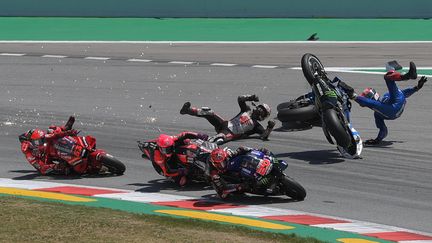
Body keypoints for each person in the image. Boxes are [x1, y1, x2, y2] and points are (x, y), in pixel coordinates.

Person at [344, 61, 428, 145]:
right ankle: (407, 76)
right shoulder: (379, 106)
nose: (366, 97)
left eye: (366, 96)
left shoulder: (379, 108)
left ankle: (354, 96)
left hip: (393, 111)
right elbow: (403, 94)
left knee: (389, 83)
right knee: (387, 78)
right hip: (394, 107)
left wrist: (417, 88)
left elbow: (383, 129)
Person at [180, 94, 275, 144]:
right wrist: (251, 97)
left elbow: (264, 136)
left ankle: (196, 146)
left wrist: (270, 127)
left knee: (219, 138)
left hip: (230, 134)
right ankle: (187, 110)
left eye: (262, 111)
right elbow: (240, 98)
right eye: (260, 107)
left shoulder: (256, 126)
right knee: (209, 112)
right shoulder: (246, 110)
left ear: (263, 116)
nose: (259, 110)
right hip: (224, 124)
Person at [207, 146, 279, 199]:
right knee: (225, 195)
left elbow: (242, 149)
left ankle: (263, 166)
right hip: (231, 180)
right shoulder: (214, 172)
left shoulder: (228, 154)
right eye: (220, 164)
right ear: (215, 164)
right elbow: (222, 191)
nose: (222, 164)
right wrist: (238, 186)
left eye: (223, 161)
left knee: (260, 151)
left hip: (237, 168)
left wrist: (254, 150)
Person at [140, 131, 208, 186]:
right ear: (160, 148)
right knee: (181, 181)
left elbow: (185, 134)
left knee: (186, 141)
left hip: (171, 149)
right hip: (163, 165)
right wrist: (181, 171)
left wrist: (199, 135)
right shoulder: (158, 156)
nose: (167, 151)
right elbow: (167, 172)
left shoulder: (172, 139)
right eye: (164, 150)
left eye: (169, 148)